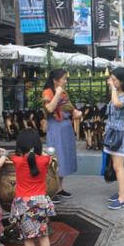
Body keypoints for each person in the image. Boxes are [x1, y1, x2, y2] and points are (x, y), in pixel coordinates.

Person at [9, 129, 55, 246]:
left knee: (28, 240)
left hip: (23, 204)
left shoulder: (16, 160)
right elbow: (49, 155)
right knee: (43, 236)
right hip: (41, 202)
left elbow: (11, 156)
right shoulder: (44, 160)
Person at [42, 69, 82, 201]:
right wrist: (57, 94)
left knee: (64, 158)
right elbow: (49, 109)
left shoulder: (63, 93)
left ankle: (59, 188)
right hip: (55, 127)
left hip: (65, 127)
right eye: (63, 78)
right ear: (55, 80)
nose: (65, 81)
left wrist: (76, 112)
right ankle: (52, 190)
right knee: (55, 158)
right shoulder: (48, 92)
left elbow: (69, 107)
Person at [105, 67, 124, 210]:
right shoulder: (118, 93)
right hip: (113, 134)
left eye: (114, 79)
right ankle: (120, 192)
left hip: (121, 135)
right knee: (116, 165)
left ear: (122, 80)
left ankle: (123, 199)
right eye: (111, 79)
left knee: (118, 167)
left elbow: (117, 105)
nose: (112, 81)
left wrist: (112, 89)